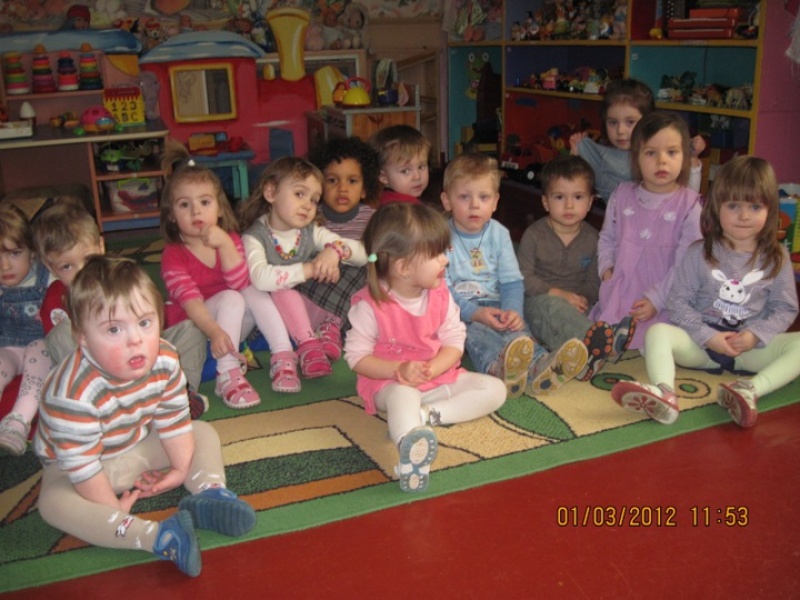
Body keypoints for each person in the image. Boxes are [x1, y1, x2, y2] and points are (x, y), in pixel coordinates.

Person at [33, 256, 256, 577]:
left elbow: (173, 419)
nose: (135, 339)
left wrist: (179, 469)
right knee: (53, 504)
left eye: (144, 323)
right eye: (114, 329)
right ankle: (156, 536)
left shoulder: (164, 358)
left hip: (134, 444)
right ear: (82, 337)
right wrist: (111, 509)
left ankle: (210, 492)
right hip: (74, 469)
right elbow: (82, 467)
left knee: (200, 432)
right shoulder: (71, 394)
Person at [611, 156, 800, 428]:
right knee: (657, 332)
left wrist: (754, 335)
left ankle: (749, 390)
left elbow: (785, 308)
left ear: (770, 210)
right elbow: (678, 303)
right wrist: (708, 336)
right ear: (716, 206)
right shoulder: (699, 252)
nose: (744, 216)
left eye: (755, 206)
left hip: (750, 349)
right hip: (701, 346)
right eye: (733, 205)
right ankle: (665, 394)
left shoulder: (777, 257)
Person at [344, 202, 507, 492]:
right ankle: (409, 448)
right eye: (436, 254)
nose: (445, 260)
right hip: (390, 384)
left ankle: (424, 418)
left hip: (438, 377)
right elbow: (356, 358)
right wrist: (399, 370)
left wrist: (433, 368)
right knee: (403, 395)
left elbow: (455, 340)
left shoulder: (440, 293)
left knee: (495, 390)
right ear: (404, 267)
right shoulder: (370, 306)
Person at [32, 201, 210, 419]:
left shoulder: (120, 275)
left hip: (136, 351)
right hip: (99, 373)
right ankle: (104, 401)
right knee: (60, 335)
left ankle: (180, 393)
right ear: (49, 266)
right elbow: (65, 346)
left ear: (100, 246)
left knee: (191, 329)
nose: (81, 271)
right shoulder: (56, 299)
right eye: (67, 266)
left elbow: (146, 315)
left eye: (88, 259)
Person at [159, 141, 299, 408]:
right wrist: (214, 331)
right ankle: (226, 374)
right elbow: (190, 302)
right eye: (184, 205)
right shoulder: (173, 255)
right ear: (172, 216)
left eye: (204, 202)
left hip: (227, 331)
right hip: (194, 329)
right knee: (232, 298)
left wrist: (224, 244)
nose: (196, 211)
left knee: (252, 289)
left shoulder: (230, 239)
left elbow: (240, 283)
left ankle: (282, 354)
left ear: (220, 208)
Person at [441, 153, 588, 397]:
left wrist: (513, 311)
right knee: (476, 333)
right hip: (458, 311)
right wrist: (474, 313)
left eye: (483, 197)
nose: (474, 205)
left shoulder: (499, 233)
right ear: (447, 201)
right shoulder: (439, 236)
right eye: (464, 197)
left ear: (495, 201)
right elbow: (440, 290)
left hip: (498, 302)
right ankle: (498, 368)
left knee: (518, 331)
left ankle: (541, 364)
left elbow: (511, 281)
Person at [239, 156, 367, 378]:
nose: (308, 205)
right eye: (299, 194)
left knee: (357, 268)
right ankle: (309, 346)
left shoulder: (310, 231)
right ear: (271, 192)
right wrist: (309, 269)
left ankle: (330, 327)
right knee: (282, 289)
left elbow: (364, 253)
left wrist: (335, 251)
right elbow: (260, 278)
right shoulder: (254, 237)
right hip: (276, 319)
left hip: (312, 307)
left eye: (314, 200)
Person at [589, 111, 702, 350]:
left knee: (658, 341)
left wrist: (657, 299)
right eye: (651, 153)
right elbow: (607, 237)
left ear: (684, 156)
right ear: (636, 157)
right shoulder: (621, 195)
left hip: (666, 294)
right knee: (603, 332)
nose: (661, 161)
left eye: (672, 152)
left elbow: (687, 263)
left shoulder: (690, 205)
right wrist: (606, 270)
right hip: (622, 291)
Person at [518, 155, 635, 382]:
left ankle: (589, 352)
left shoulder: (593, 238)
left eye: (578, 197)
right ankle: (601, 343)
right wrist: (558, 294)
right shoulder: (534, 235)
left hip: (579, 305)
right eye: (559, 197)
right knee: (552, 308)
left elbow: (594, 281)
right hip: (540, 302)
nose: (569, 205)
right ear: (545, 202)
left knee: (601, 304)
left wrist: (582, 298)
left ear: (590, 203)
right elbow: (523, 277)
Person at [570, 79, 705, 201]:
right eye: (613, 122)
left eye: (630, 122)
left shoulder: (660, 155)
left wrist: (692, 159)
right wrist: (576, 156)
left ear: (648, 121)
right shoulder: (603, 157)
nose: (620, 131)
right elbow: (573, 190)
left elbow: (688, 197)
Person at [298, 136, 379, 331]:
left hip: (353, 292)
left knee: (363, 270)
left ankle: (330, 328)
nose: (342, 188)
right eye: (332, 180)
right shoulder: (309, 217)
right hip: (315, 287)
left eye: (352, 181)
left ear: (364, 189)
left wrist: (369, 259)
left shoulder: (374, 220)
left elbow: (378, 257)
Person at [0, 204, 51, 456]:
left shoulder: (46, 275)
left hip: (41, 345)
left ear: (32, 251)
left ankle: (18, 423)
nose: (4, 266)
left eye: (14, 253)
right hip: (8, 346)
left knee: (38, 357)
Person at [369, 124, 431, 206]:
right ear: (384, 177)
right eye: (405, 171)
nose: (417, 177)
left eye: (421, 167)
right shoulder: (405, 209)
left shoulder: (385, 199)